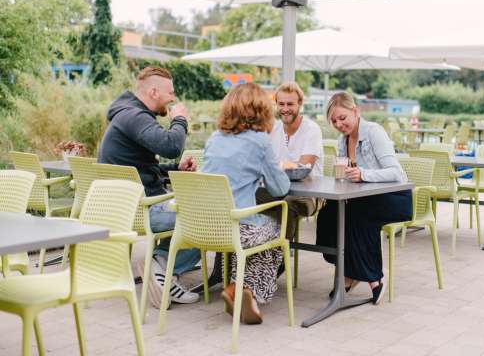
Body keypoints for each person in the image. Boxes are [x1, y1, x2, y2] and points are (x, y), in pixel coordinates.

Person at [98, 66, 201, 308]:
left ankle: (159, 268)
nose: (173, 98)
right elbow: (171, 146)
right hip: (142, 209)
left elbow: (140, 167)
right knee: (204, 221)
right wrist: (180, 119)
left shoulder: (127, 115)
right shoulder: (135, 116)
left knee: (195, 215)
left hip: (128, 207)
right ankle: (160, 267)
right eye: (170, 92)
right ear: (154, 92)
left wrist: (175, 169)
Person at [202, 83, 291, 324]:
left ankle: (241, 288)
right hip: (236, 229)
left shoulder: (214, 138)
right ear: (262, 110)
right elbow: (280, 189)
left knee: (256, 229)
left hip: (202, 226)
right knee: (276, 228)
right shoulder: (259, 141)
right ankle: (243, 289)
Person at [316, 91, 412, 305]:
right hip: (364, 198)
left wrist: (363, 174)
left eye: (342, 118)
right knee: (329, 212)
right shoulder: (342, 141)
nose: (339, 124)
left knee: (356, 214)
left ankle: (373, 279)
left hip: (395, 197)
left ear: (355, 111)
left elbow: (396, 173)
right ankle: (350, 270)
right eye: (334, 121)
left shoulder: (374, 132)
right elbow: (346, 176)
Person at [261, 82, 323, 241]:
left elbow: (301, 170)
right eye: (281, 104)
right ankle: (250, 248)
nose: (285, 108)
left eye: (290, 104)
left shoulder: (311, 129)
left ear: (300, 104)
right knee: (245, 198)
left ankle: (279, 253)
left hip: (309, 194)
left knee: (287, 205)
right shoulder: (273, 129)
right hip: (277, 190)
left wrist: (274, 168)